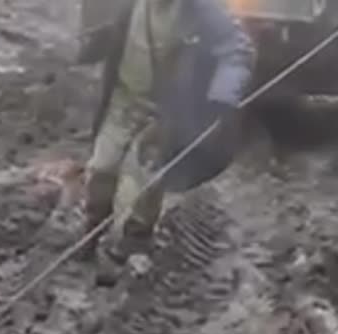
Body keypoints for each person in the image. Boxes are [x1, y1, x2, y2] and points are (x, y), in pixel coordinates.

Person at [76, 0, 255, 268]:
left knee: (144, 182)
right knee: (101, 168)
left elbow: (237, 49)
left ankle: (134, 243)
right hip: (122, 100)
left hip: (164, 112)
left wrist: (222, 97)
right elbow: (107, 28)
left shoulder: (199, 8)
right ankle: (92, 230)